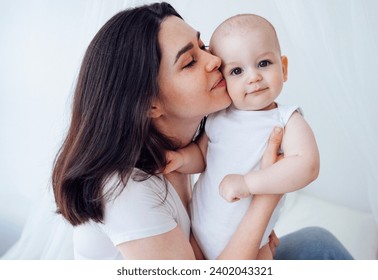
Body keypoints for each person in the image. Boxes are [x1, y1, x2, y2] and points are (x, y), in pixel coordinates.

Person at [51, 2, 353, 260]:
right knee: (318, 247)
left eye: (203, 46)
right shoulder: (124, 189)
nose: (215, 61)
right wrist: (265, 201)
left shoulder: (180, 145)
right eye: (190, 62)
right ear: (150, 104)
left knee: (317, 242)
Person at [163, 14, 319, 260]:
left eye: (264, 63)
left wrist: (249, 183)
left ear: (284, 67)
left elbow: (307, 165)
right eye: (237, 70)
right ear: (222, 80)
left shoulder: (287, 120)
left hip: (255, 248)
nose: (253, 77)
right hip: (197, 237)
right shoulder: (218, 116)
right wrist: (181, 159)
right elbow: (202, 156)